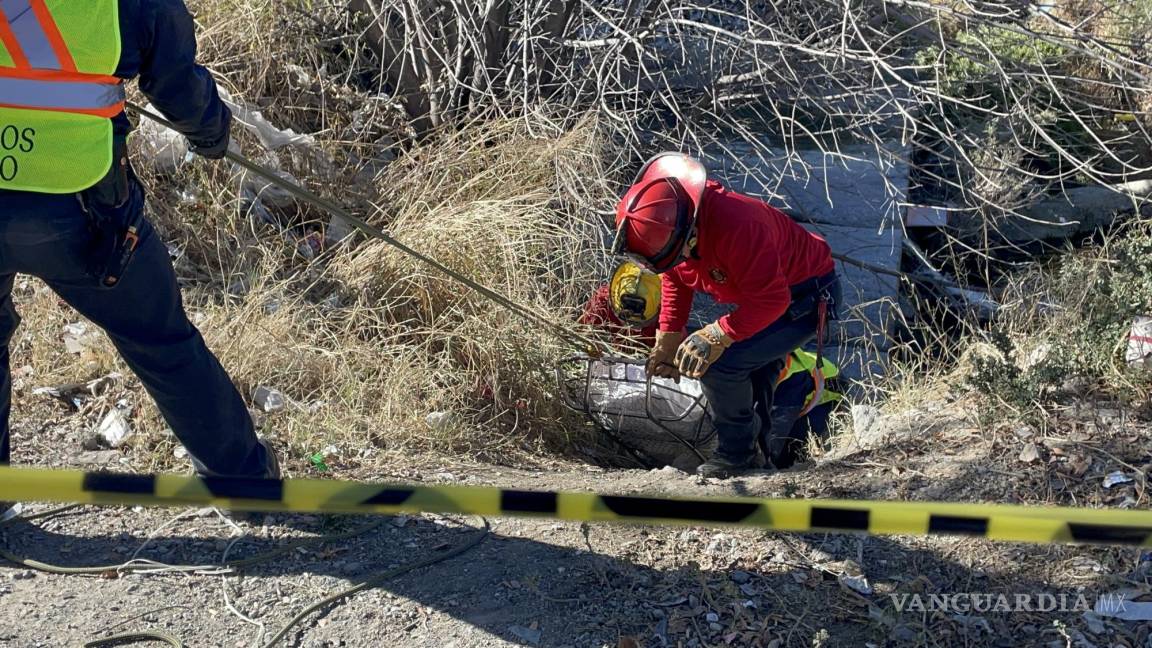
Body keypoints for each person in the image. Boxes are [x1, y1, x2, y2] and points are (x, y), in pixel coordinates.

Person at [0, 0, 279, 518]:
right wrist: (211, 135)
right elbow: (177, 81)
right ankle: (245, 488)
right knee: (161, 339)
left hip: (67, 200)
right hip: (79, 209)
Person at [612, 152, 841, 478]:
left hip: (802, 298)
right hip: (768, 296)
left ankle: (737, 457)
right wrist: (667, 339)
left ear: (689, 232)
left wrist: (716, 334)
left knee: (720, 364)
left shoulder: (738, 226)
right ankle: (760, 459)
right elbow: (677, 277)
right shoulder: (675, 226)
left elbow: (773, 301)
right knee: (753, 374)